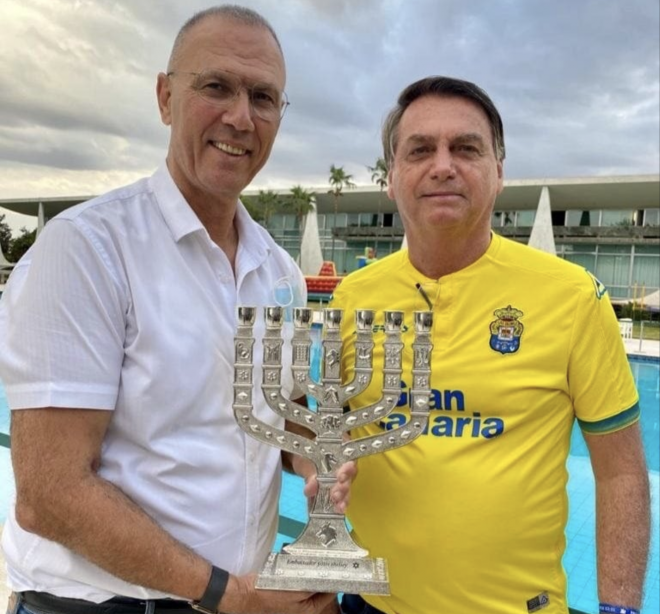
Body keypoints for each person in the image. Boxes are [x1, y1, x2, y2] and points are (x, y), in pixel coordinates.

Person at [0, 6, 353, 614]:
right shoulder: (88, 250)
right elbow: (49, 493)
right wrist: (231, 595)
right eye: (216, 86)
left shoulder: (279, 272)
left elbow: (280, 408)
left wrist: (315, 460)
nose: (240, 117)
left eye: (263, 97)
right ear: (165, 98)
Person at [330, 76, 650, 614]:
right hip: (372, 605)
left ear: (499, 171)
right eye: (420, 150)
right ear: (392, 178)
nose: (442, 165)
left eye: (466, 148)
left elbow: (620, 470)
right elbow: (326, 440)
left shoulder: (571, 297)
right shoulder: (353, 298)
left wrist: (620, 609)